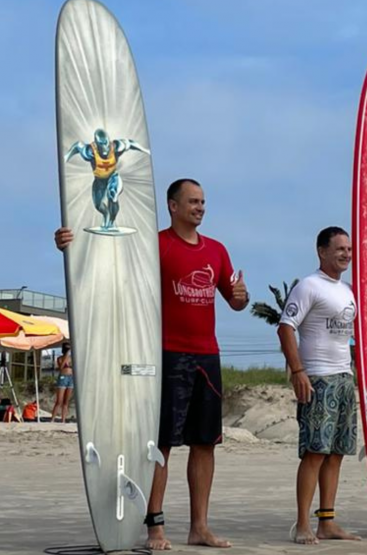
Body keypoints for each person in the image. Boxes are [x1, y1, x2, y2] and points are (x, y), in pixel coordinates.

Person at [55, 177, 248, 550]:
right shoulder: (154, 244)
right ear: (173, 206)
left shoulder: (217, 250)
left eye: (203, 202)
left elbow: (235, 300)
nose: (200, 207)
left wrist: (241, 296)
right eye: (193, 201)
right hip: (166, 353)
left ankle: (199, 527)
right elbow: (106, 264)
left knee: (205, 444)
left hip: (207, 356)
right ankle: (155, 526)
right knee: (161, 444)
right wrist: (69, 243)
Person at [278, 226, 360, 545]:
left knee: (336, 453)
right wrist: (298, 371)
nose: (346, 254)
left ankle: (327, 522)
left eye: (348, 249)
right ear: (322, 251)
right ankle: (302, 524)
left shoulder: (348, 290)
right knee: (315, 452)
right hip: (318, 379)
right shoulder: (309, 286)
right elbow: (286, 327)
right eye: (339, 249)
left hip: (344, 378)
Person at [51, 342, 74, 423]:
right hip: (63, 377)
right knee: (59, 401)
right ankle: (52, 419)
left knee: (66, 402)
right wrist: (66, 357)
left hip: (71, 378)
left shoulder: (72, 358)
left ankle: (63, 420)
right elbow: (61, 367)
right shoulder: (60, 358)